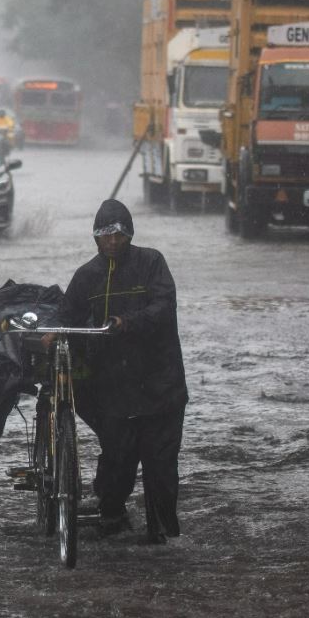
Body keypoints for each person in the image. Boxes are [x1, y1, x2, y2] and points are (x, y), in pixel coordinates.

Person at [44, 198, 188, 543]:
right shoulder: (87, 275)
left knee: (161, 463)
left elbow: (164, 306)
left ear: (130, 235)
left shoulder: (152, 263)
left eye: (120, 234)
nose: (113, 241)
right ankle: (112, 513)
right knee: (118, 456)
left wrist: (127, 323)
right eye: (106, 235)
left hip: (160, 383)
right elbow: (69, 316)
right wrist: (53, 332)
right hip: (114, 386)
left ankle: (164, 532)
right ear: (95, 238)